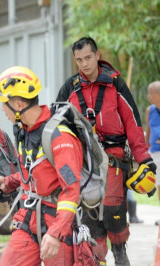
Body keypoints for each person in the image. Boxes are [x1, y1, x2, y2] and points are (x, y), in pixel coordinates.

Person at [56, 36, 157, 265]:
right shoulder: (69, 89)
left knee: (113, 209)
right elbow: (57, 124)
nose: (84, 64)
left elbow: (133, 122)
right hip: (83, 160)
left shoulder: (115, 83)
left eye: (88, 57)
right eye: (79, 59)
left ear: (98, 55)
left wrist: (145, 159)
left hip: (114, 157)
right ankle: (96, 258)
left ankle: (120, 252)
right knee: (90, 212)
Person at [0, 66, 83, 265]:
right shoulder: (26, 131)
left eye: (5, 104)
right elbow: (33, 172)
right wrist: (10, 181)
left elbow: (71, 189)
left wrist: (56, 233)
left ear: (19, 104)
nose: (2, 109)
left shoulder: (60, 137)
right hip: (29, 217)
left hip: (57, 221)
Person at [145, 81, 160, 225]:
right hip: (155, 152)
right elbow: (148, 129)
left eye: (151, 93)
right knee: (159, 185)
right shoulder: (150, 110)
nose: (148, 96)